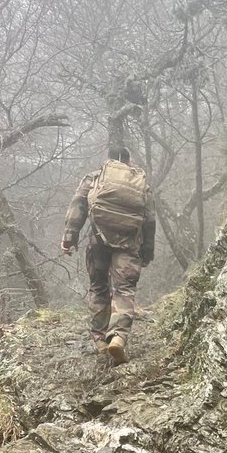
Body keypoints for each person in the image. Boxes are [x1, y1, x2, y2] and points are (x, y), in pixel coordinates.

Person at [61, 146, 155, 365]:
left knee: (98, 287)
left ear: (109, 160)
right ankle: (118, 337)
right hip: (130, 245)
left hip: (98, 241)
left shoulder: (94, 178)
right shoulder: (141, 185)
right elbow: (149, 221)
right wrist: (147, 252)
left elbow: (78, 205)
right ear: (128, 161)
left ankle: (100, 340)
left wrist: (69, 236)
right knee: (124, 290)